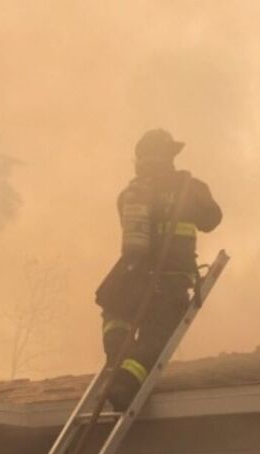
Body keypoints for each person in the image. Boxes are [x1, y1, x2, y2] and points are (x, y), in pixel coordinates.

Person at [95, 128, 222, 410]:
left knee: (114, 309)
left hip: (133, 274)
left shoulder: (129, 194)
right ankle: (125, 383)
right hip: (170, 278)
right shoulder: (190, 187)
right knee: (157, 337)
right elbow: (213, 219)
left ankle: (115, 364)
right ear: (170, 156)